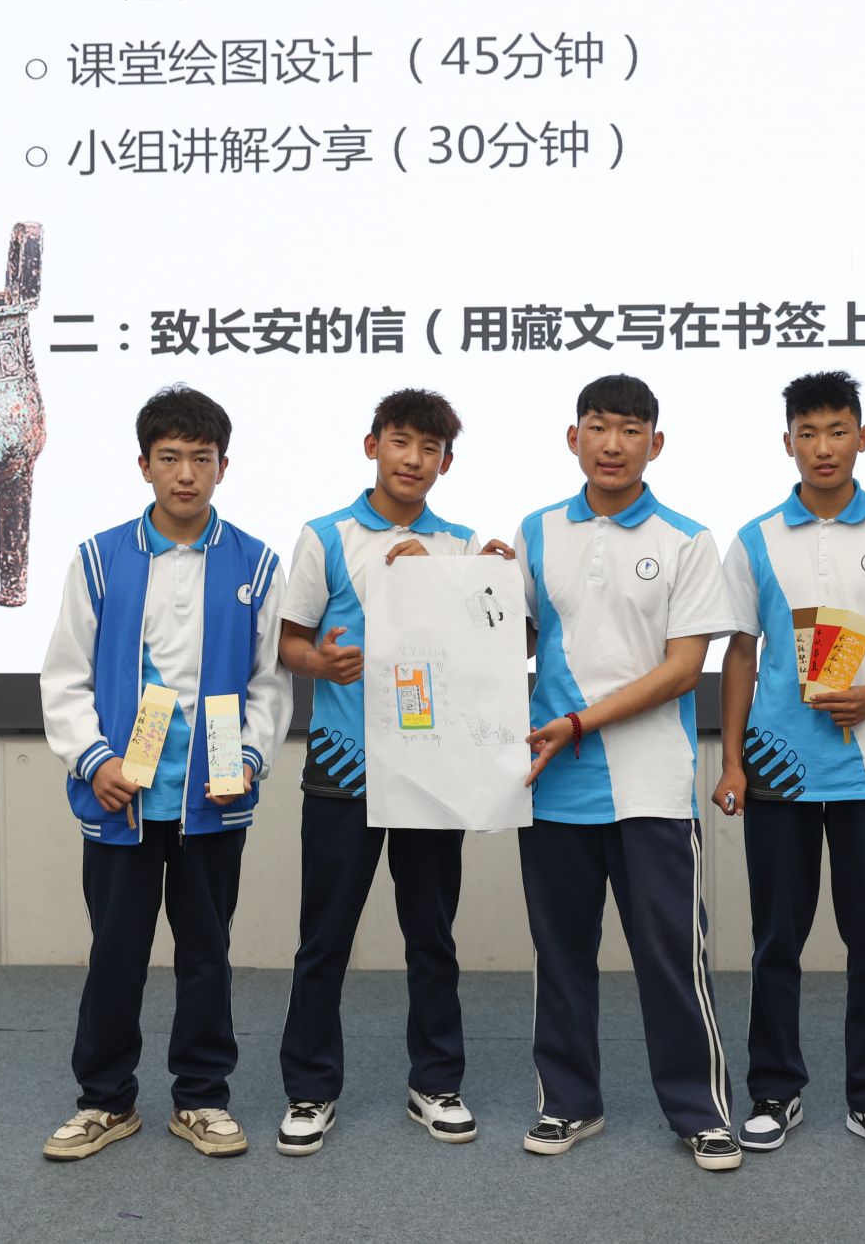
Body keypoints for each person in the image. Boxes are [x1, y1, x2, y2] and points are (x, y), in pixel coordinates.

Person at [38, 384, 292, 1162]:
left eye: (201, 458)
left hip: (212, 801)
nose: (186, 473)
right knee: (114, 954)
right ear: (144, 464)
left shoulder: (256, 563)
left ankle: (202, 1097)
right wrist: (96, 760)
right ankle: (104, 1100)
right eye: (171, 457)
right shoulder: (100, 558)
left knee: (207, 954)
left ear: (223, 467)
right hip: (121, 798)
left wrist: (248, 758)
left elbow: (271, 682)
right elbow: (65, 675)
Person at [272, 389, 513, 1155]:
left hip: (433, 770)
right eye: (401, 441)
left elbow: (490, 648)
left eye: (429, 448)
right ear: (371, 444)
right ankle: (310, 1089)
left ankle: (436, 1081)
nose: (414, 459)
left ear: (447, 461)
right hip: (344, 766)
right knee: (324, 940)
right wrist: (320, 662)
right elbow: (289, 641)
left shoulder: (463, 542)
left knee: (431, 936)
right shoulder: (326, 535)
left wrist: (496, 585)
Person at [717, 370, 865, 1161]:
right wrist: (734, 761)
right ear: (787, 441)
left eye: (838, 430)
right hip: (777, 770)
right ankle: (773, 1089)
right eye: (808, 432)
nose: (824, 446)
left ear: (863, 437)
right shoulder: (755, 538)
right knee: (775, 941)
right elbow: (740, 653)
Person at [514, 373, 744, 1171]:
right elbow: (505, 637)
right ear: (572, 435)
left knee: (671, 957)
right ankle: (568, 1102)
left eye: (630, 429)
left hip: (651, 786)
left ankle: (701, 1112)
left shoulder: (687, 539)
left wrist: (582, 721)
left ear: (656, 442)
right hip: (553, 786)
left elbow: (683, 668)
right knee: (560, 955)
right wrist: (447, 582)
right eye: (598, 426)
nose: (612, 444)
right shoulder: (536, 531)